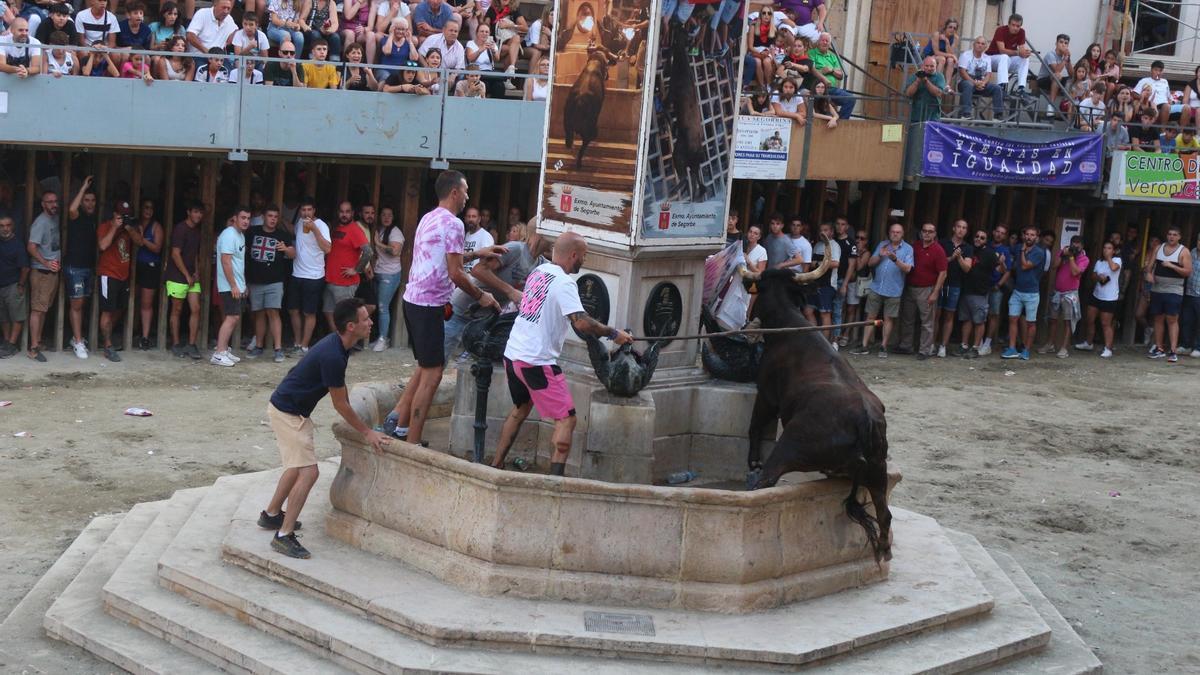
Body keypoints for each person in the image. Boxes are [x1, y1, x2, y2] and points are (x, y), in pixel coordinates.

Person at [491, 232, 632, 475]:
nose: (584, 261)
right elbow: (581, 322)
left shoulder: (538, 273)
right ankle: (554, 485)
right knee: (567, 419)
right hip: (536, 361)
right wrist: (613, 334)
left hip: (513, 354)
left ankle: (496, 465)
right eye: (584, 256)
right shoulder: (565, 282)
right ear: (574, 255)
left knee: (521, 409)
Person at [382, 171, 503, 446]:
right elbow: (456, 273)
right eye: (466, 191)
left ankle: (401, 428)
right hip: (428, 305)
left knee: (426, 368)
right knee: (434, 373)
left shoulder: (429, 217)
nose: (468, 197)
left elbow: (445, 257)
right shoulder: (455, 224)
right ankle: (412, 442)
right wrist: (481, 295)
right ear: (455, 193)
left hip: (413, 299)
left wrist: (476, 254)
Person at [261, 297, 388, 559]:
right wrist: (368, 432)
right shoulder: (334, 355)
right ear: (351, 326)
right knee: (309, 473)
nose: (370, 322)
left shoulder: (337, 346)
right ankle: (283, 536)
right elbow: (340, 404)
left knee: (296, 467)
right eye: (365, 319)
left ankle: (271, 514)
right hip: (289, 414)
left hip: (286, 409)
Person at [444, 221, 549, 360]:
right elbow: (478, 270)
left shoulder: (542, 264)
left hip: (484, 321)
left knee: (476, 370)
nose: (556, 239)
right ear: (539, 235)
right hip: (459, 311)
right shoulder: (516, 249)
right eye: (554, 234)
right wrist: (510, 291)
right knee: (435, 367)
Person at [851, 222, 912, 358]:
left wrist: (895, 260)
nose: (895, 234)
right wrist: (879, 255)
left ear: (902, 234)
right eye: (893, 231)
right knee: (870, 316)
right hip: (877, 286)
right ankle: (864, 345)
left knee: (888, 319)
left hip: (894, 289)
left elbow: (908, 269)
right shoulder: (882, 244)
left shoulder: (908, 249)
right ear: (889, 233)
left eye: (898, 232)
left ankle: (883, 346)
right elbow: (870, 263)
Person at [246, 204, 295, 362]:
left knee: (273, 312)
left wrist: (285, 249)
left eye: (275, 217)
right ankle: (259, 346)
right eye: (270, 216)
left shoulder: (282, 235)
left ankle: (278, 349)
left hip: (275, 281)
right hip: (255, 281)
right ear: (264, 217)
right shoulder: (253, 232)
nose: (273, 219)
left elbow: (293, 254)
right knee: (259, 313)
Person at [897, 222, 946, 359]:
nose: (927, 233)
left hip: (927, 289)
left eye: (930, 231)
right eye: (925, 231)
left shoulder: (938, 250)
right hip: (911, 287)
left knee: (927, 322)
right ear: (921, 232)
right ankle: (906, 346)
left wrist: (935, 292)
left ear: (935, 234)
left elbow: (943, 273)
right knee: (907, 318)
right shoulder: (915, 246)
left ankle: (925, 350)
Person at [288, 197, 330, 353]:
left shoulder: (321, 225)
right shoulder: (299, 223)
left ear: (314, 211)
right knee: (293, 310)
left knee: (309, 312)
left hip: (314, 276)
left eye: (309, 210)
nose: (306, 213)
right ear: (300, 211)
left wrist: (315, 229)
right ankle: (297, 343)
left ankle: (305, 346)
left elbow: (328, 249)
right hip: (297, 273)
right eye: (303, 210)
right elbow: (292, 231)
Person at [322, 201, 370, 334]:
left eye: (347, 212)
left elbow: (368, 252)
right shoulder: (336, 228)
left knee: (346, 317)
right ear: (338, 213)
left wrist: (356, 269)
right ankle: (338, 340)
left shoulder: (355, 229)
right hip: (331, 279)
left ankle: (347, 344)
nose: (344, 215)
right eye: (342, 211)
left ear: (352, 213)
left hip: (345, 283)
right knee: (328, 311)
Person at [1147, 226, 1193, 363]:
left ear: (1179, 237)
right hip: (1157, 288)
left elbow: (1188, 272)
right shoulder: (1158, 248)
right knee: (1158, 318)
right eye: (1169, 234)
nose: (1171, 237)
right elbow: (1149, 266)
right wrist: (1149, 274)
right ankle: (1159, 348)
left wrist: (1172, 266)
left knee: (1172, 319)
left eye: (1174, 235)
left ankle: (1173, 351)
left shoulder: (1184, 251)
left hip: (1174, 289)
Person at [212, 206, 250, 367]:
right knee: (231, 317)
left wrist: (243, 284)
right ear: (235, 218)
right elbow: (225, 261)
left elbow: (237, 262)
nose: (246, 221)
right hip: (229, 285)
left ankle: (224, 349)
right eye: (243, 218)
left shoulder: (240, 236)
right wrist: (234, 285)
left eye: (248, 218)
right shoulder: (229, 235)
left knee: (234, 317)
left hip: (237, 284)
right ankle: (219, 353)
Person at [1001, 225, 1047, 360]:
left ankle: (1026, 350)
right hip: (1017, 290)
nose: (1029, 237)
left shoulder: (1039, 252)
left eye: (1032, 235)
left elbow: (1025, 265)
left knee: (1030, 322)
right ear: (1024, 235)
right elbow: (1009, 256)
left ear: (1037, 238)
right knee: (1012, 318)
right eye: (1027, 234)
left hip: (1032, 293)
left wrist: (1021, 251)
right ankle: (1012, 348)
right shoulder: (1018, 247)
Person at [95, 201, 133, 362]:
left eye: (125, 215)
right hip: (108, 274)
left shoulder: (128, 228)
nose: (122, 218)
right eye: (120, 214)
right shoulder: (105, 226)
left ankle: (105, 334)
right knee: (107, 310)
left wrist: (129, 227)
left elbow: (139, 241)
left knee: (120, 308)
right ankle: (108, 345)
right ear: (114, 214)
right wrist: (115, 227)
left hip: (124, 276)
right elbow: (103, 245)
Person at [166, 201, 204, 359]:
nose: (198, 215)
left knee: (196, 308)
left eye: (200, 213)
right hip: (177, 276)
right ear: (189, 212)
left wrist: (195, 271)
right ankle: (175, 343)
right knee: (177, 309)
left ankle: (191, 344)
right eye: (195, 212)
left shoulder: (196, 231)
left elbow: (194, 254)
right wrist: (187, 275)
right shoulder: (181, 229)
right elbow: (175, 254)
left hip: (190, 277)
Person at [64, 177, 98, 360]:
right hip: (75, 267)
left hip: (88, 268)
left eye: (92, 200)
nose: (90, 203)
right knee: (76, 304)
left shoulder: (94, 219)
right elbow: (71, 209)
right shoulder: (77, 216)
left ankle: (76, 338)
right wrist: (83, 187)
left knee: (81, 304)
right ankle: (78, 342)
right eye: (86, 200)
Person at [1040, 235, 1089, 359]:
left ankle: (1064, 348)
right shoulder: (1064, 252)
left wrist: (1071, 257)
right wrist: (1063, 255)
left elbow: (1074, 272)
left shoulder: (1084, 259)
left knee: (1068, 321)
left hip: (1070, 293)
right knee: (1053, 319)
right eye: (1073, 244)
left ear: (1082, 246)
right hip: (1057, 291)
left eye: (1077, 245)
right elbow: (1054, 266)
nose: (1075, 247)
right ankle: (1050, 344)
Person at [25, 190, 60, 362]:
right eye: (50, 202)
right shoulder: (40, 222)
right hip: (41, 272)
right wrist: (46, 263)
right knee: (37, 310)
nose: (54, 204)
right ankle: (33, 348)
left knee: (43, 308)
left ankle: (37, 342)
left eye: (55, 201)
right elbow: (31, 247)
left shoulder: (54, 218)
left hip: (51, 273)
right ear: (43, 204)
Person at [126, 199, 163, 351]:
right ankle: (133, 331)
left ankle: (145, 336)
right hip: (135, 266)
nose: (148, 210)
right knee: (134, 300)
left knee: (146, 304)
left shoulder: (156, 227)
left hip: (150, 267)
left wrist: (142, 240)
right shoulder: (136, 224)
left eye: (151, 208)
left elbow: (157, 248)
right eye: (146, 207)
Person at [1075, 240, 1122, 359]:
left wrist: (1109, 258)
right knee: (1090, 319)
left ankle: (1108, 348)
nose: (1106, 250)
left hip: (1110, 297)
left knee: (1106, 323)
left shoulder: (1117, 260)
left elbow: (1113, 268)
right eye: (1105, 248)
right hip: (1097, 294)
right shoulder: (1099, 262)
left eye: (1109, 248)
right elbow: (1093, 276)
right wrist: (1099, 277)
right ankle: (1088, 343)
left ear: (1114, 250)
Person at [956, 229, 996, 358]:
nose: (978, 239)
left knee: (979, 321)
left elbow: (1000, 268)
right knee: (966, 319)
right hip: (966, 290)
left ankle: (976, 348)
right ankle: (964, 345)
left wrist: (995, 284)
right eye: (977, 236)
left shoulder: (990, 253)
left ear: (986, 240)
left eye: (982, 237)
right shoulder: (968, 249)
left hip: (980, 292)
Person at [935, 219, 972, 358]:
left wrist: (959, 258)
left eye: (964, 227)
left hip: (955, 284)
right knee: (936, 314)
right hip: (940, 282)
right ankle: (932, 343)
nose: (961, 230)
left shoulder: (968, 247)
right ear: (953, 228)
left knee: (949, 316)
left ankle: (943, 346)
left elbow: (967, 268)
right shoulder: (943, 243)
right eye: (959, 227)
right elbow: (938, 262)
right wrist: (951, 258)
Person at [371, 205, 404, 351]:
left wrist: (378, 243)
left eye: (389, 215)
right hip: (378, 272)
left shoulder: (396, 232)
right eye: (383, 214)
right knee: (379, 306)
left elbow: (395, 252)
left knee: (383, 307)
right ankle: (381, 336)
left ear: (393, 217)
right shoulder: (379, 229)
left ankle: (383, 339)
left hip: (390, 274)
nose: (386, 217)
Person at [980, 223, 1012, 356]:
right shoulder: (984, 246)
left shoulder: (1005, 250)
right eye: (997, 231)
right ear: (993, 232)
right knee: (981, 314)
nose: (999, 234)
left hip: (996, 287)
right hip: (981, 285)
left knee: (993, 314)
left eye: (1002, 233)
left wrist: (999, 284)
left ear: (1005, 236)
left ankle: (987, 343)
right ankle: (979, 342)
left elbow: (1007, 271)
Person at [0, 216, 29, 359]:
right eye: (2, 225)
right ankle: (6, 341)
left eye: (8, 225)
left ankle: (12, 344)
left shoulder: (17, 244)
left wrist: (21, 285)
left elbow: (25, 267)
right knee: (3, 317)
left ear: (13, 226)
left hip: (13, 285)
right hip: (1, 285)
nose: (5, 228)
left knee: (17, 316)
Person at [807, 32, 853, 119]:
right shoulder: (811, 53)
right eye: (823, 40)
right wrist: (822, 71)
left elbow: (840, 76)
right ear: (818, 42)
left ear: (829, 44)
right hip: (817, 88)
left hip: (831, 89)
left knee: (850, 99)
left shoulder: (832, 57)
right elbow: (810, 71)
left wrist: (831, 70)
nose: (824, 42)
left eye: (827, 41)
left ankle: (841, 123)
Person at [957, 35, 1004, 118]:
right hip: (966, 82)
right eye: (978, 43)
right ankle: (966, 113)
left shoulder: (987, 58)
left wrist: (983, 83)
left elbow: (988, 74)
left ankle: (998, 115)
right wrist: (974, 83)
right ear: (974, 44)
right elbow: (962, 72)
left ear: (985, 47)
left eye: (982, 44)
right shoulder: (965, 55)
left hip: (981, 83)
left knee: (997, 88)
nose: (980, 45)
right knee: (968, 85)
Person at [809, 221, 841, 341]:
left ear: (831, 232)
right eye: (821, 230)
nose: (823, 233)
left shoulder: (834, 245)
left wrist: (817, 264)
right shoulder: (817, 245)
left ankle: (825, 343)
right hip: (814, 283)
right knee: (808, 310)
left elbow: (836, 263)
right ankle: (815, 339)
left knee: (825, 313)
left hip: (827, 285)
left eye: (826, 230)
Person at [985, 13, 1031, 93]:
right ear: (1008, 24)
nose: (1015, 28)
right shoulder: (1001, 30)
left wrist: (1025, 53)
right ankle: (1001, 86)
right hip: (991, 59)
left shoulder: (1021, 32)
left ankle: (1021, 88)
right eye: (1013, 25)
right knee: (1004, 56)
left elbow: (1021, 51)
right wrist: (1018, 52)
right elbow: (1002, 50)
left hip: (1006, 61)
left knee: (1025, 59)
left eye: (1018, 26)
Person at [905, 55, 948, 122]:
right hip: (916, 115)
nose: (929, 68)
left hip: (933, 116)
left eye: (932, 66)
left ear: (936, 66)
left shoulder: (939, 76)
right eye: (927, 66)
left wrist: (926, 81)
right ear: (922, 66)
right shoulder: (915, 76)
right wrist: (917, 81)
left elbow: (938, 93)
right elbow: (908, 93)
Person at [1035, 33, 1072, 107]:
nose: (1063, 45)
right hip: (1043, 80)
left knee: (1073, 79)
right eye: (1061, 42)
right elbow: (1056, 70)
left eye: (1066, 43)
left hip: (1056, 80)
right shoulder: (1051, 54)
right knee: (1057, 75)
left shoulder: (1065, 57)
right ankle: (1051, 106)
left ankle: (1067, 106)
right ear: (1056, 43)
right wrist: (1065, 59)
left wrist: (1068, 60)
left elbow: (1072, 74)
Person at [1179, 233, 1200, 356]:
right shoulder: (1191, 252)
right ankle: (1185, 345)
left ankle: (1198, 347)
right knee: (1187, 320)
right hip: (1189, 292)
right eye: (1199, 240)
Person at [1134, 60, 1172, 127]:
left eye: (1160, 71)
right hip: (1151, 104)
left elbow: (1169, 97)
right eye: (1156, 70)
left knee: (1186, 108)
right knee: (1167, 106)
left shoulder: (1165, 81)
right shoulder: (1144, 80)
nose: (1158, 73)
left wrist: (1171, 102)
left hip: (1165, 104)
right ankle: (1162, 131)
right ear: (1151, 70)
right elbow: (1134, 93)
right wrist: (1143, 97)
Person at [922, 17, 959, 83]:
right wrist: (952, 55)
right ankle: (937, 82)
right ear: (945, 27)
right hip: (929, 55)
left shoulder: (955, 38)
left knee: (950, 60)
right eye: (950, 27)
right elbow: (936, 52)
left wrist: (947, 42)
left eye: (954, 28)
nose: (952, 29)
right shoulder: (937, 34)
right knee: (942, 59)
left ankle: (947, 85)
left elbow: (951, 53)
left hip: (943, 56)